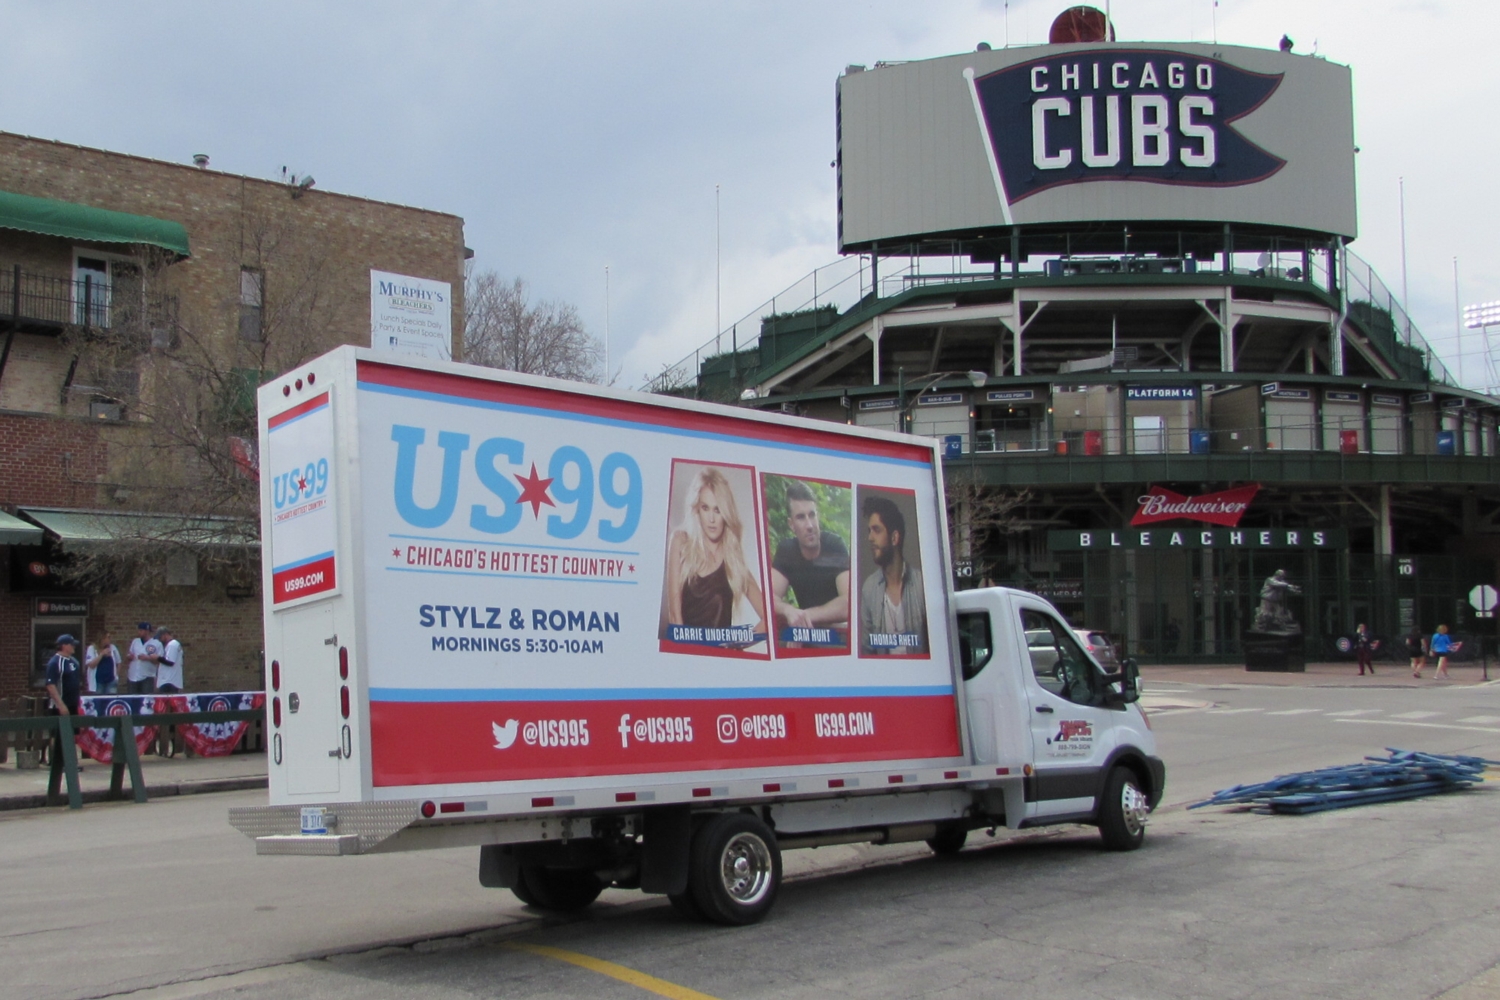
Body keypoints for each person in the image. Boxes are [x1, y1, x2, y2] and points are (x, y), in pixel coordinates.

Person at [664, 467, 767, 640]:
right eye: (705, 508)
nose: (711, 519)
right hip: (687, 656)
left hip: (724, 662)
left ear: (726, 513)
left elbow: (769, 618)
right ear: (697, 509)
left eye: (718, 510)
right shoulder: (681, 542)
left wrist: (740, 641)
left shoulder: (733, 561)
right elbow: (675, 619)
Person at [770, 479, 850, 636]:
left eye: (812, 515)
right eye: (801, 517)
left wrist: (803, 617)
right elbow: (768, 597)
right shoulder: (787, 551)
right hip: (807, 633)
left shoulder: (834, 545)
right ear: (791, 525)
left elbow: (849, 603)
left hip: (838, 634)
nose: (810, 525)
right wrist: (788, 610)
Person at [859, 495, 928, 655]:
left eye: (876, 530)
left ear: (894, 537)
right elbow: (867, 650)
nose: (870, 538)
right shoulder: (869, 589)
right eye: (869, 531)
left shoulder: (921, 585)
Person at [43, 634, 82, 775]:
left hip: (72, 703)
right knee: (58, 734)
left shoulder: (73, 662)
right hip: (60, 704)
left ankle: (70, 760)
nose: (74, 647)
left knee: (71, 733)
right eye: (71, 644)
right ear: (64, 646)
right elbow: (51, 685)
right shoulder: (55, 662)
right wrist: (60, 704)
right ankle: (56, 761)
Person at [155, 627, 185, 757]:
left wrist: (157, 658)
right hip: (168, 680)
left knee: (166, 712)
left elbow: (170, 662)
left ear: (165, 635)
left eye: (161, 637)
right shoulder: (172, 646)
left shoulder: (173, 645)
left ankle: (169, 741)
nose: (161, 640)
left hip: (169, 682)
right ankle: (166, 741)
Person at [125, 622, 159, 695]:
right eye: (139, 630)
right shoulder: (135, 641)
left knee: (146, 699)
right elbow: (129, 654)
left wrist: (147, 658)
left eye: (141, 630)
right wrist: (129, 657)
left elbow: (159, 661)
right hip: (133, 676)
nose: (139, 632)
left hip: (147, 676)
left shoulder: (156, 643)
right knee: (132, 698)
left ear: (147, 631)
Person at [84, 630, 121, 695]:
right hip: (98, 682)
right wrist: (102, 654)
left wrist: (116, 676)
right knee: (99, 702)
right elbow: (91, 665)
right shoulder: (92, 648)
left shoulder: (113, 648)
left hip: (111, 681)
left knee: (110, 701)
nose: (110, 639)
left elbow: (119, 662)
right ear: (102, 639)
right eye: (108, 637)